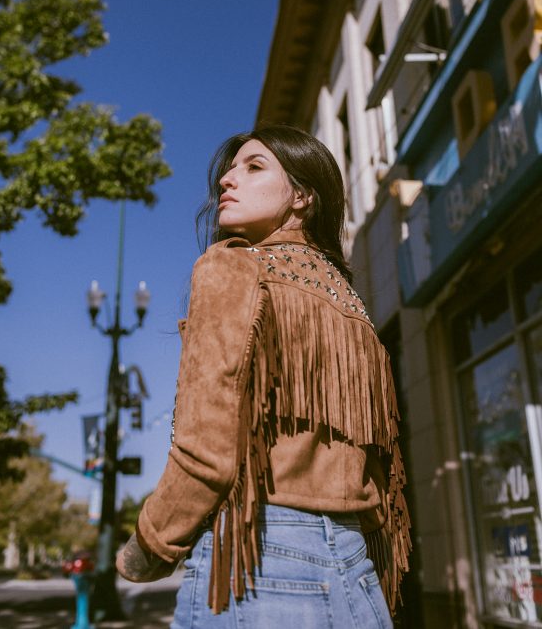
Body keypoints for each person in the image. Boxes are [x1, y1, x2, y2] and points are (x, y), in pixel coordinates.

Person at [116, 124, 410, 628]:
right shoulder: (352, 307)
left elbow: (207, 453)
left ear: (302, 196)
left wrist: (147, 546)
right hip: (357, 574)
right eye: (229, 170)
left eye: (254, 167)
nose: (227, 180)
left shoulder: (231, 268)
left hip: (253, 564)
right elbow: (385, 475)